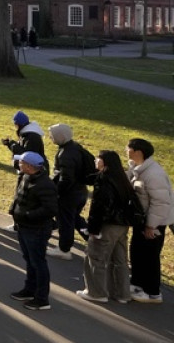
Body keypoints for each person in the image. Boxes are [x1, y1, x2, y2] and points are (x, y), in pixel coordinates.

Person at [77, 150, 136, 304]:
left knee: (95, 257)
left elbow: (99, 207)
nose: (96, 160)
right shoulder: (122, 178)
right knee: (120, 260)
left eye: (99, 158)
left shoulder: (103, 180)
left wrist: (93, 229)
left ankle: (96, 292)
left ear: (106, 162)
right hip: (122, 225)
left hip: (107, 225)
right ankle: (122, 294)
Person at [9, 151, 58, 311]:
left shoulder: (45, 185)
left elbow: (50, 209)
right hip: (24, 227)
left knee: (38, 262)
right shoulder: (25, 176)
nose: (18, 164)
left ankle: (42, 299)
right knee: (30, 260)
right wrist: (14, 211)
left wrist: (28, 215)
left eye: (21, 162)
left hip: (36, 229)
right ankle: (29, 290)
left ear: (30, 166)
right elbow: (19, 197)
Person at [127, 138, 174, 303]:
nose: (126, 151)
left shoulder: (154, 175)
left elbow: (160, 203)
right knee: (137, 251)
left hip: (155, 222)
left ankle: (153, 293)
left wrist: (151, 225)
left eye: (129, 149)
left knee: (150, 256)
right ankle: (138, 284)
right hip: (143, 220)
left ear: (138, 152)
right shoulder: (138, 168)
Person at [47, 123, 92, 260]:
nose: (50, 138)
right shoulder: (76, 148)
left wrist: (57, 192)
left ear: (61, 137)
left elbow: (66, 178)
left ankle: (64, 249)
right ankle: (92, 240)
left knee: (65, 221)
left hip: (69, 194)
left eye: (52, 136)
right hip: (81, 191)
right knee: (75, 218)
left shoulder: (65, 154)